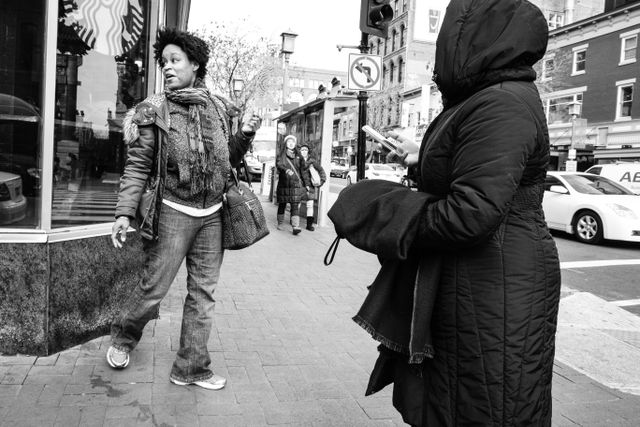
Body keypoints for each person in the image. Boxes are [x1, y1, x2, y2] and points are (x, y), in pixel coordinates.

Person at [358, 0, 562, 425]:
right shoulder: (483, 100)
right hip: (476, 277)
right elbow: (470, 172)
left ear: (473, 38)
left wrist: (389, 214)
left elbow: (472, 211)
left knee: (488, 401)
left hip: (493, 282)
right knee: (459, 398)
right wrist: (422, 159)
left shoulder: (501, 103)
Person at [108, 28, 261, 391]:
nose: (167, 68)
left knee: (203, 295)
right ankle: (123, 338)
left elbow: (226, 162)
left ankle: (191, 368)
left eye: (175, 61)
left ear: (195, 64)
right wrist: (123, 213)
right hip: (173, 212)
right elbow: (138, 166)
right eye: (164, 62)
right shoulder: (154, 110)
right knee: (154, 289)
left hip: (212, 216)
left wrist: (246, 136)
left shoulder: (220, 108)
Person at [276, 134, 307, 235]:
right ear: (286, 143)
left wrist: (306, 183)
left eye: (293, 142)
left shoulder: (299, 156)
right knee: (282, 204)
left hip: (295, 185)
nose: (291, 144)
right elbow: (279, 164)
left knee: (294, 205)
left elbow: (302, 171)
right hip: (284, 184)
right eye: (289, 142)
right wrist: (286, 170)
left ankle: (295, 226)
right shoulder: (282, 155)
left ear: (295, 144)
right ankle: (280, 223)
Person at [299, 143, 326, 231]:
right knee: (297, 204)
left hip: (310, 187)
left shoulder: (312, 162)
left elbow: (321, 171)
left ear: (308, 151)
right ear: (299, 151)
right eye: (302, 150)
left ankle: (309, 225)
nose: (304, 151)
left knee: (310, 205)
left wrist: (321, 181)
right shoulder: (297, 160)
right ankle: (295, 222)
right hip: (298, 186)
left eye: (305, 150)